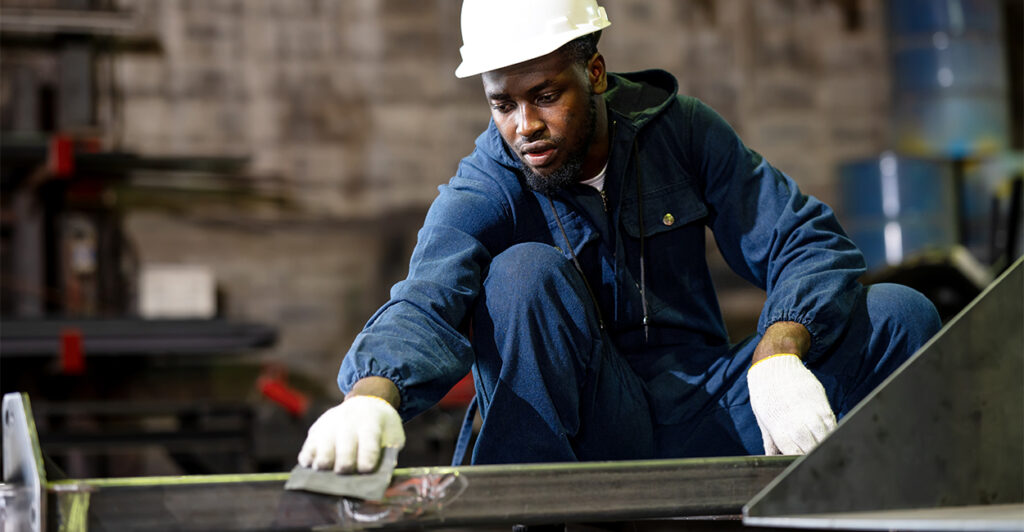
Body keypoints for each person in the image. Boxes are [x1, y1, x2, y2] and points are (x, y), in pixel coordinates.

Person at [298, 0, 942, 473]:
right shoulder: (488, 183)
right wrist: (371, 397)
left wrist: (777, 357)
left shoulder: (681, 132)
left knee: (899, 315)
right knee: (523, 272)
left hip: (708, 406)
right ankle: (537, 512)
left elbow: (805, 241)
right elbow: (425, 298)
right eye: (503, 104)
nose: (525, 126)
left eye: (546, 95)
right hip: (584, 435)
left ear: (597, 73)